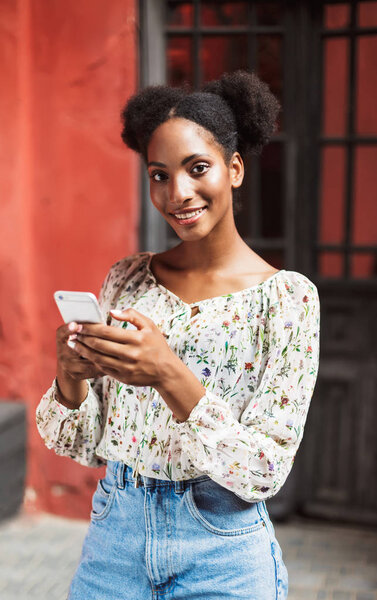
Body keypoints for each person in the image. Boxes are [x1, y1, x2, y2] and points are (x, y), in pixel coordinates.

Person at [36, 70, 320, 600]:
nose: (177, 193)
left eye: (197, 168)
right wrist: (70, 377)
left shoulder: (287, 300)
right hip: (114, 540)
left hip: (223, 549)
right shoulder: (127, 278)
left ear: (234, 169)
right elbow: (80, 445)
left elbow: (264, 469)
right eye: (159, 175)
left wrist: (168, 372)